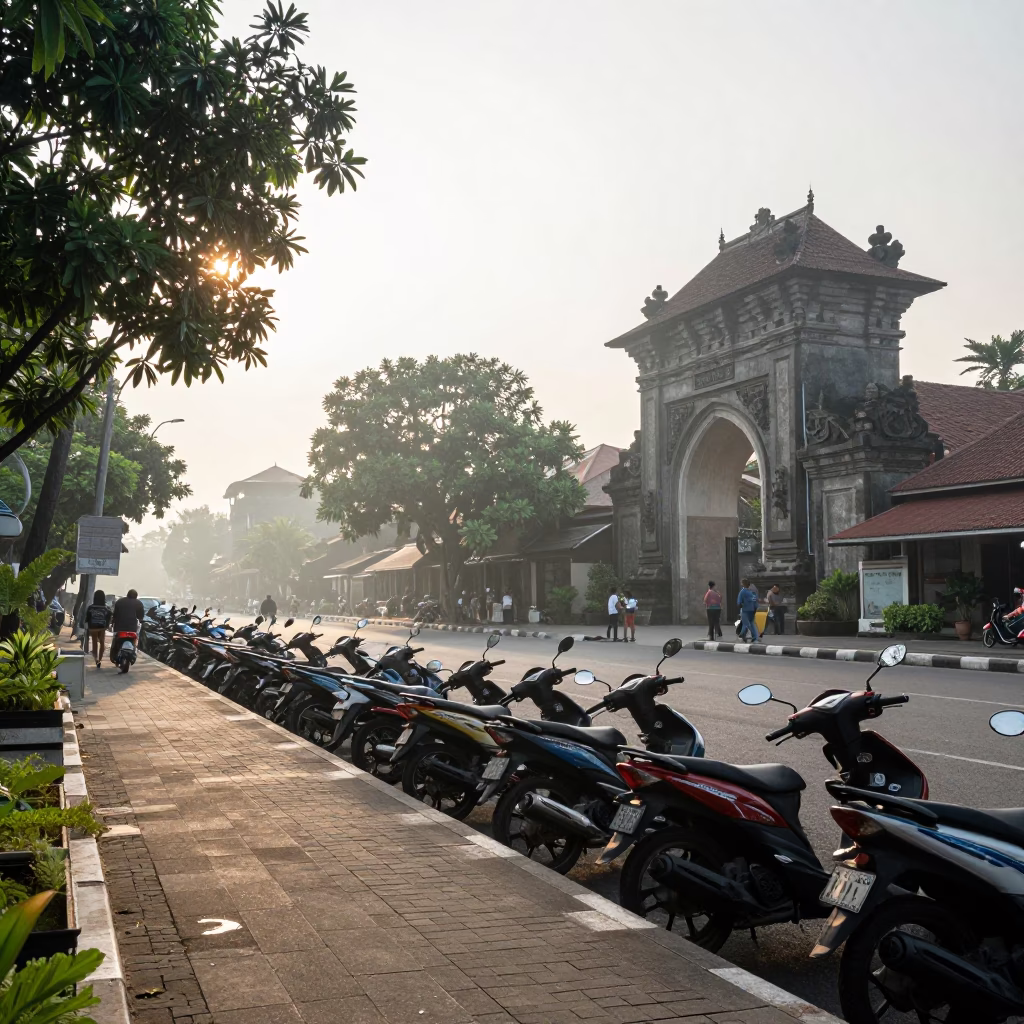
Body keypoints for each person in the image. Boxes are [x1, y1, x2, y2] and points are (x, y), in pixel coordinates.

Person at [110, 589, 145, 664]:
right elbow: (140, 617)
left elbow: (115, 615)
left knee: (115, 640)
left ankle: (114, 654)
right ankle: (134, 651)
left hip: (119, 627)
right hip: (132, 628)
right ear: (136, 596)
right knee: (135, 639)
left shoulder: (119, 601)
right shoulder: (139, 603)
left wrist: (112, 622)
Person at [85, 590, 112, 668]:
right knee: (102, 642)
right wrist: (107, 625)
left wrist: (87, 623)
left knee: (94, 642)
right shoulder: (107, 608)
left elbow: (87, 618)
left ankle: (96, 659)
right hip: (102, 627)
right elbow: (109, 616)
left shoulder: (91, 607)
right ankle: (100, 659)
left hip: (93, 627)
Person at [737, 578, 760, 643]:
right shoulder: (753, 593)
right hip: (752, 610)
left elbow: (739, 603)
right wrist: (755, 609)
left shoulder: (742, 592)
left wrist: (741, 606)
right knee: (751, 624)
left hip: (745, 610)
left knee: (747, 624)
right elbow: (755, 602)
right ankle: (751, 637)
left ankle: (745, 636)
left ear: (743, 584)